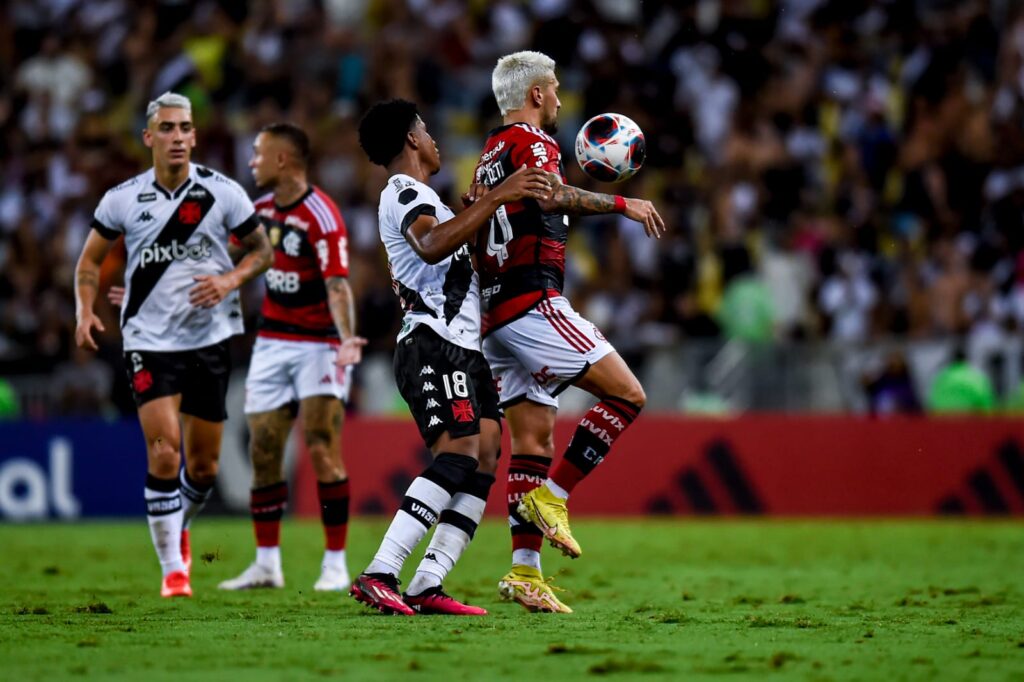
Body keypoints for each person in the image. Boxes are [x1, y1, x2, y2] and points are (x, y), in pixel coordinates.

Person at [471, 51, 665, 613]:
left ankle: (524, 573)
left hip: (495, 315)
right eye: (553, 89)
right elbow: (553, 196)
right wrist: (624, 202)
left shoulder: (488, 154)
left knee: (532, 443)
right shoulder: (535, 142)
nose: (558, 99)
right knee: (628, 393)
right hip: (532, 302)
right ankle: (554, 497)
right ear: (534, 95)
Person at [351, 98, 551, 615]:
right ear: (412, 139)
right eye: (428, 128)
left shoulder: (431, 199)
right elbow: (431, 246)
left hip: (465, 348)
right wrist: (496, 197)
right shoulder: (403, 191)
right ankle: (380, 572)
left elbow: (455, 254)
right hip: (431, 345)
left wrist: (483, 208)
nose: (435, 138)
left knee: (485, 453)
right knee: (459, 452)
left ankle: (427, 582)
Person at [74, 92, 273, 598]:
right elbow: (89, 263)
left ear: (195, 136)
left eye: (185, 128)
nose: (178, 136)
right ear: (148, 137)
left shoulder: (222, 192)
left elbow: (262, 251)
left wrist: (230, 284)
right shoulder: (121, 199)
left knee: (202, 468)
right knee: (164, 454)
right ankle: (173, 571)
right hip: (147, 340)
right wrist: (84, 309)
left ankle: (178, 522)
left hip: (208, 339)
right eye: (167, 128)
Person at [215, 123, 367, 592]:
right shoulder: (257, 211)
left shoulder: (321, 215)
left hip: (319, 344)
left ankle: (335, 562)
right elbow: (223, 258)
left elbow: (338, 283)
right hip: (271, 343)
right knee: (263, 451)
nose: (252, 161)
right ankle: (266, 564)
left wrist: (347, 338)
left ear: (283, 160)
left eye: (259, 153)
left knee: (321, 447)